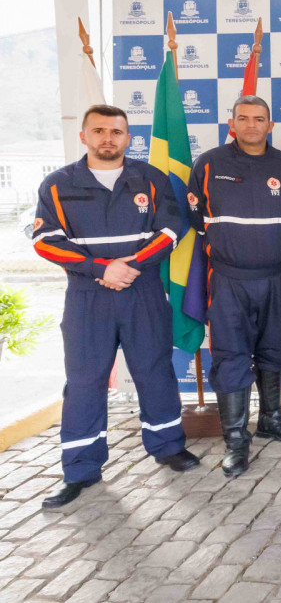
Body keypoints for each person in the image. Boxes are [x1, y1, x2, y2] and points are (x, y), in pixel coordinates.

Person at [34, 104, 199, 509]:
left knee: (154, 371)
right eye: (99, 131)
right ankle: (80, 468)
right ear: (84, 136)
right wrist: (100, 269)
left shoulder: (150, 177)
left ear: (128, 137)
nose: (108, 138)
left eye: (116, 132)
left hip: (142, 292)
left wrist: (132, 266)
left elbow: (170, 230)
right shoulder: (58, 184)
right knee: (85, 381)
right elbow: (45, 241)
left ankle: (168, 446)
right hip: (88, 297)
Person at [187, 96, 281, 477]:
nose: (251, 124)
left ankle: (272, 419)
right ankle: (236, 440)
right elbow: (196, 218)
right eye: (243, 118)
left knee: (273, 350)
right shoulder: (208, 163)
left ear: (271, 125)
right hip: (228, 279)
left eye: (259, 118)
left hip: (277, 278)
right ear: (232, 123)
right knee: (231, 356)